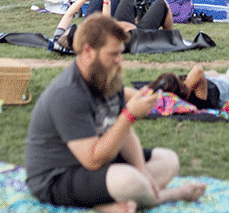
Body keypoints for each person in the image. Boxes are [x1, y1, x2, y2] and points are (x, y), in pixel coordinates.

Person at [24, 13, 206, 209]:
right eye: (113, 54)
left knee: (168, 161)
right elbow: (92, 160)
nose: (119, 60)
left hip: (101, 164)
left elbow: (124, 134)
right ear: (88, 52)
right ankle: (169, 195)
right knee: (128, 180)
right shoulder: (67, 93)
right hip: (58, 176)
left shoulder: (107, 76)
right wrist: (130, 115)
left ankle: (121, 201)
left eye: (120, 53)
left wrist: (142, 170)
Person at [50, 0, 174, 53]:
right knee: (161, 4)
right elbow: (106, 20)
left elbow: (69, 14)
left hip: (121, 26)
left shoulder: (58, 39)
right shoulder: (94, 41)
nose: (66, 30)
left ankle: (137, 18)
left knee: (126, 0)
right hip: (136, 36)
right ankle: (171, 39)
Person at [140, 62, 229, 109]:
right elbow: (197, 69)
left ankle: (225, 73)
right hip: (225, 90)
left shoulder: (172, 99)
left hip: (209, 83)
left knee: (212, 73)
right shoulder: (190, 96)